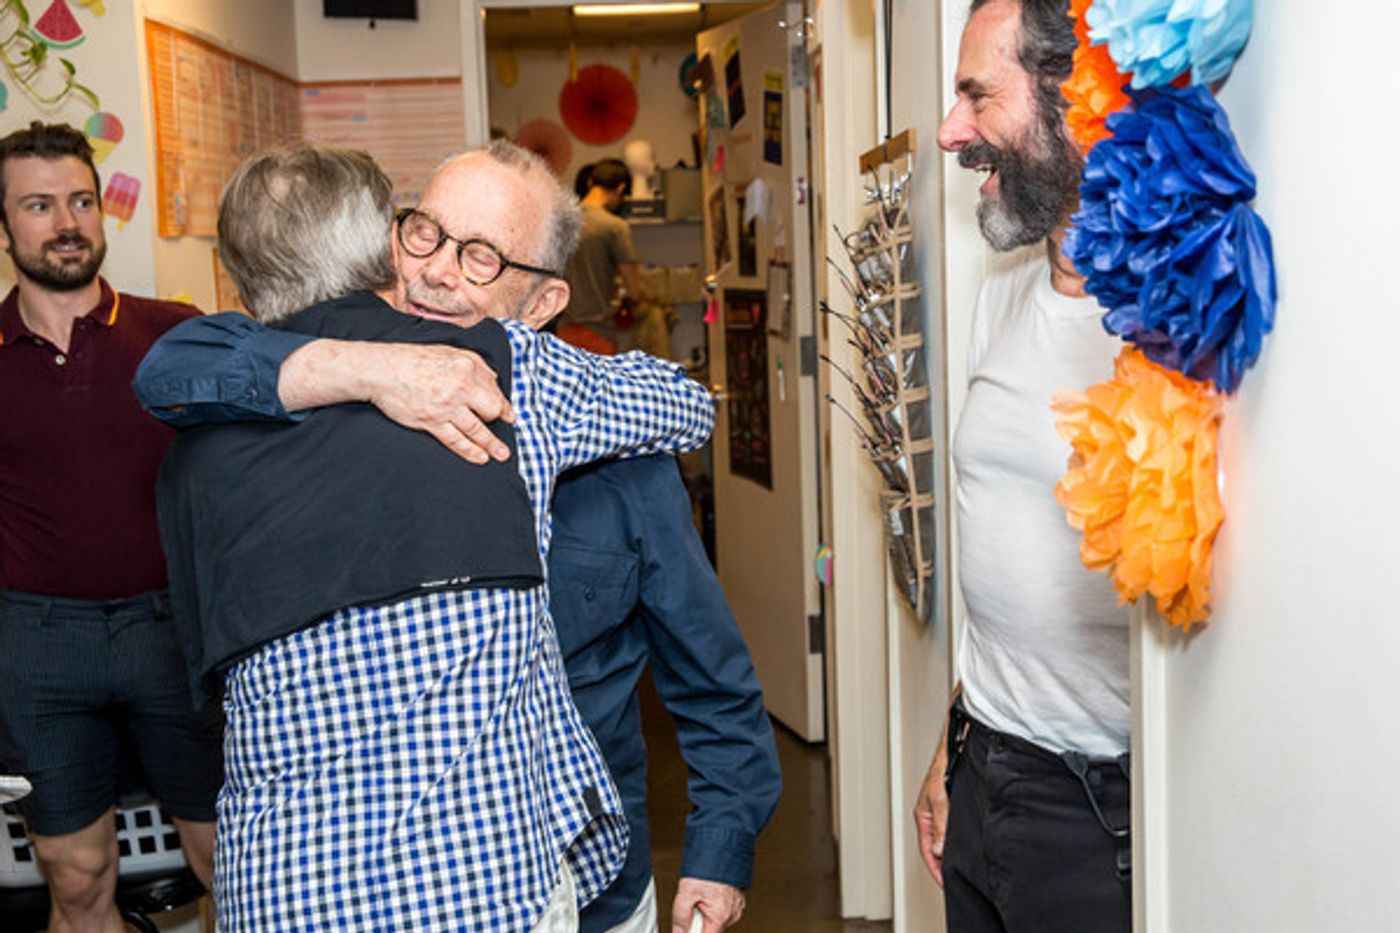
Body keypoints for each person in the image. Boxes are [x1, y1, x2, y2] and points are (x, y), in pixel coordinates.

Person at [137, 139, 778, 933]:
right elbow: (170, 367)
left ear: (542, 306)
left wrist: (720, 851)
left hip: (588, 884)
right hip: (414, 886)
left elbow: (710, 673)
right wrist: (371, 370)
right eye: (423, 233)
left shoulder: (608, 450)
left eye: (480, 257)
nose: (437, 270)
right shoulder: (265, 398)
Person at [910, 2, 1132, 932]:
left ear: (1070, 96)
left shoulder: (1161, 333)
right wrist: (952, 742)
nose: (950, 130)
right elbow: (1000, 545)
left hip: (1100, 810)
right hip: (984, 768)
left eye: (976, 95)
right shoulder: (1001, 292)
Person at [0, 121, 220, 932]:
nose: (66, 222)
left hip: (173, 631)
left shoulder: (177, 333)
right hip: (37, 642)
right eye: (38, 204)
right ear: (5, 225)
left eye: (81, 201)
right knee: (80, 879)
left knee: (223, 858)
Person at [556, 157, 649, 354]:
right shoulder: (614, 227)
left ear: (591, 183)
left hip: (563, 332)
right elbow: (634, 291)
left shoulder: (561, 223)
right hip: (598, 334)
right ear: (621, 188)